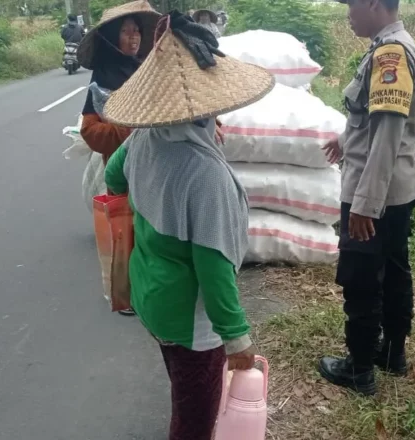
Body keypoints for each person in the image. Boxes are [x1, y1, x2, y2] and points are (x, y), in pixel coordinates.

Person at [102, 11, 274, 439]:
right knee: (194, 421)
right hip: (190, 320)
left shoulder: (146, 137)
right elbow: (214, 271)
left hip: (151, 297)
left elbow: (114, 178)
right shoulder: (206, 177)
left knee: (182, 389)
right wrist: (237, 340)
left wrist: (157, 200)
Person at [318, 0, 415, 395]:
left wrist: (365, 204)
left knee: (362, 277)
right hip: (398, 190)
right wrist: (346, 140)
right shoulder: (392, 44)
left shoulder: (391, 53)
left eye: (353, 5)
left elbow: (388, 135)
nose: (348, 13)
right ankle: (392, 354)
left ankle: (359, 368)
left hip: (375, 192)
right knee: (395, 269)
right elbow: (373, 118)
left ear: (376, 4)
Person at [77, 0, 160, 316]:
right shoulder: (103, 78)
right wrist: (127, 132)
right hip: (122, 168)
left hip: (156, 163)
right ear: (112, 37)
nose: (134, 37)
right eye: (126, 32)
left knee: (153, 229)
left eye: (137, 31)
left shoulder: (144, 69)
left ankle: (152, 288)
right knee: (126, 232)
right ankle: (125, 295)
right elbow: (89, 130)